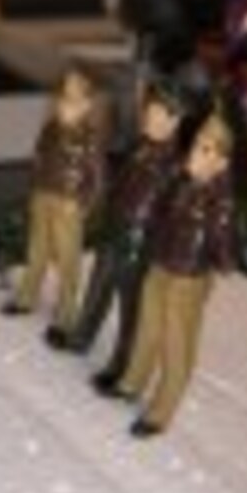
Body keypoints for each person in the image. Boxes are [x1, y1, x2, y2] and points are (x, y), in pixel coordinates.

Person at [101, 114, 236, 438]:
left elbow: (226, 256)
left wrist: (219, 238)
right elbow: (159, 215)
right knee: (148, 327)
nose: (196, 155)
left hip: (187, 277)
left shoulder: (220, 202)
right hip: (161, 264)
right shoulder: (181, 183)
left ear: (221, 163)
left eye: (207, 150)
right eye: (197, 146)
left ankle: (162, 410)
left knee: (177, 343)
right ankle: (133, 381)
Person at [58, 84, 184, 398]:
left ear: (174, 121)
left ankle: (122, 366)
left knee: (132, 310)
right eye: (148, 112)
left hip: (139, 244)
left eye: (157, 114)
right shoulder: (139, 147)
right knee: (98, 286)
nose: (148, 119)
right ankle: (81, 336)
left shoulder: (174, 167)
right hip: (114, 231)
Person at [4, 63, 106, 345]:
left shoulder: (90, 139)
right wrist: (34, 191)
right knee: (36, 251)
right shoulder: (49, 128)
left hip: (68, 205)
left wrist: (83, 205)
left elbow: (97, 179)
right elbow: (38, 161)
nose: (65, 104)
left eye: (74, 98)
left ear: (86, 104)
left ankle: (65, 315)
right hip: (43, 198)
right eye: (63, 96)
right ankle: (27, 297)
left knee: (68, 262)